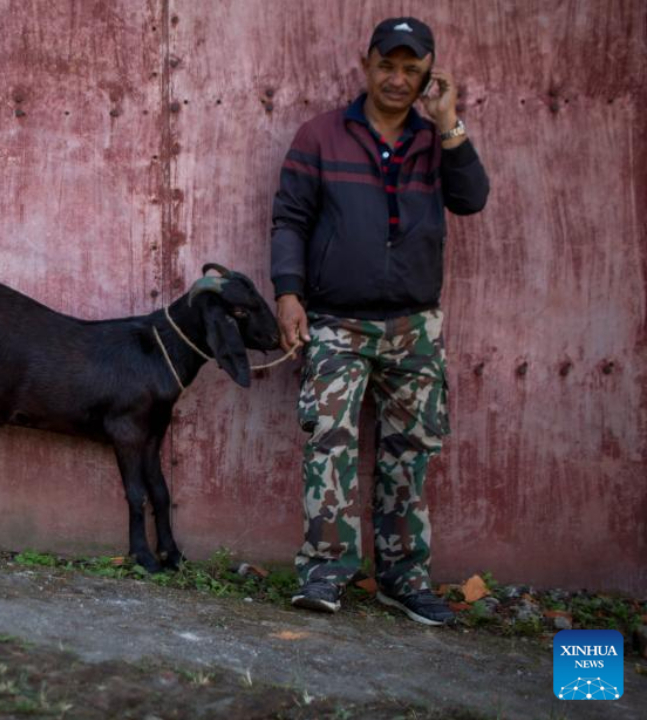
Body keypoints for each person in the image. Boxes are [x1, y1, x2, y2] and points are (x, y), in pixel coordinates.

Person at [269, 17, 489, 625]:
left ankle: (402, 579)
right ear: (365, 64)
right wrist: (288, 295)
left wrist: (448, 124)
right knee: (330, 444)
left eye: (411, 69)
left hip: (415, 327)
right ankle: (326, 574)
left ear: (427, 75)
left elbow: (471, 199)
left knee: (410, 454)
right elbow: (289, 218)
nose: (397, 79)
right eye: (387, 65)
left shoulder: (435, 140)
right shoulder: (320, 136)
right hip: (336, 321)